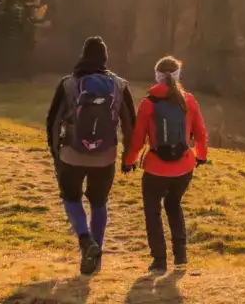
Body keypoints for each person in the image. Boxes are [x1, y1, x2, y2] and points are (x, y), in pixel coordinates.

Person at [45, 36, 136, 276]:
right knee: (99, 203)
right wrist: (128, 157)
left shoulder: (68, 84)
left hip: (71, 155)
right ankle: (96, 253)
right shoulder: (119, 85)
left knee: (71, 198)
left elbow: (52, 121)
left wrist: (56, 153)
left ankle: (86, 242)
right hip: (105, 156)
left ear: (83, 55)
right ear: (105, 58)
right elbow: (130, 125)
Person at [124, 56, 209, 274]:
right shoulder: (188, 101)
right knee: (174, 205)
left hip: (155, 169)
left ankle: (159, 261)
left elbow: (137, 139)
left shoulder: (148, 103)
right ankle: (180, 256)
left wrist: (129, 161)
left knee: (153, 212)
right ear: (178, 75)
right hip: (184, 168)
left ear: (157, 76)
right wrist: (201, 156)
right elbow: (200, 134)